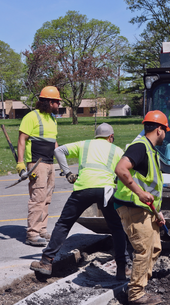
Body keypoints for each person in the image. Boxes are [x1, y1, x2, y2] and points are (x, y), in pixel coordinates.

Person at [30, 123, 131, 280]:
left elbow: (58, 150)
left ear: (96, 135)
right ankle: (122, 268)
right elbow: (124, 170)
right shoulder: (117, 150)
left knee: (64, 224)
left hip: (83, 188)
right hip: (106, 190)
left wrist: (68, 172)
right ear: (110, 137)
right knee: (117, 228)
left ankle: (46, 262)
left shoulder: (85, 144)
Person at [114, 110, 169, 305]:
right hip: (132, 207)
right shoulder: (140, 147)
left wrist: (157, 211)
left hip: (145, 209)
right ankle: (136, 294)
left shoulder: (149, 150)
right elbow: (121, 169)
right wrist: (138, 193)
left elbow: (149, 187)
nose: (165, 135)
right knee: (143, 249)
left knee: (154, 248)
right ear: (160, 129)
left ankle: (140, 286)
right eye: (165, 131)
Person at [16, 86, 61, 246]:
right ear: (49, 102)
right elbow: (22, 140)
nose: (58, 105)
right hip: (37, 164)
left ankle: (42, 230)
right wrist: (21, 164)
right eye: (57, 102)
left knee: (46, 199)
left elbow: (54, 142)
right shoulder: (31, 117)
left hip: (49, 164)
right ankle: (32, 234)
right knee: (37, 198)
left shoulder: (53, 118)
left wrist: (62, 164)